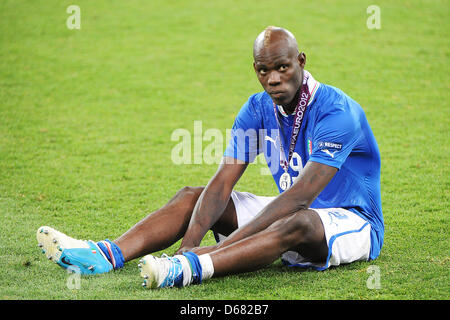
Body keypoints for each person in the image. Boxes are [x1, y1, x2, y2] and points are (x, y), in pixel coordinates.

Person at [37, 26, 384, 289]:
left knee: (297, 220)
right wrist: (190, 244)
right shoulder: (257, 108)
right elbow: (221, 185)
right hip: (290, 214)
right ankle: (106, 254)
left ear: (301, 61)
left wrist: (214, 251)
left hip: (349, 222)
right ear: (255, 69)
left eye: (282, 67)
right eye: (264, 70)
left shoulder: (338, 112)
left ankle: (190, 271)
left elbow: (300, 198)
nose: (274, 79)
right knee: (194, 195)